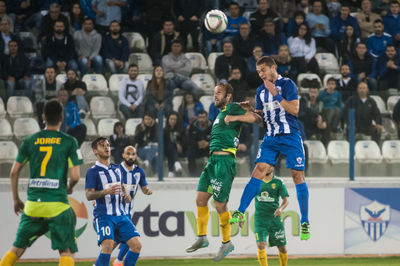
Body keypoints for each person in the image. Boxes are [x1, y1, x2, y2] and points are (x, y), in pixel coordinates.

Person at [228, 56, 310, 241]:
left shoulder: (288, 84)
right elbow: (262, 118)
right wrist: (251, 111)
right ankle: (240, 211)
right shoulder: (260, 91)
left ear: (273, 68)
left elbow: (294, 110)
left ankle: (304, 221)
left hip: (290, 136)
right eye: (258, 72)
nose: (261, 74)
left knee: (298, 176)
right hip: (271, 137)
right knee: (258, 170)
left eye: (263, 70)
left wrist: (276, 94)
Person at [0, 99, 82, 266]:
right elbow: (75, 177)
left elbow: (14, 172)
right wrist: (69, 188)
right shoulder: (69, 142)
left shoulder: (30, 141)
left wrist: (16, 199)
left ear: (43, 117)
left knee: (17, 249)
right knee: (66, 251)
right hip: (57, 206)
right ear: (61, 117)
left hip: (32, 206)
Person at [185, 83, 261, 261]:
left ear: (228, 96)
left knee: (219, 205)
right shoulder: (221, 112)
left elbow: (256, 119)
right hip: (212, 161)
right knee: (200, 199)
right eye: (214, 93)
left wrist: (235, 117)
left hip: (224, 162)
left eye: (219, 93)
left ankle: (227, 243)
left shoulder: (233, 108)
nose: (215, 96)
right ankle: (202, 237)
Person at [85, 137, 141, 266]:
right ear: (95, 151)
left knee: (136, 245)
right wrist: (106, 192)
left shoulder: (117, 169)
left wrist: (126, 196)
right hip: (104, 216)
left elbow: (121, 188)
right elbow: (88, 195)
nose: (106, 147)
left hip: (121, 215)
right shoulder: (93, 172)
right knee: (108, 246)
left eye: (108, 145)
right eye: (102, 145)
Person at [113, 145, 152, 266]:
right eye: (128, 154)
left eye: (133, 154)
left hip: (127, 212)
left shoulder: (139, 171)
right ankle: (117, 261)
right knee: (113, 242)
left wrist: (147, 191)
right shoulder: (116, 169)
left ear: (136, 156)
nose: (130, 156)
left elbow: (144, 187)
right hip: (114, 212)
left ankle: (118, 261)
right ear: (123, 155)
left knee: (128, 239)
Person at [253, 170, 289, 266]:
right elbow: (246, 198)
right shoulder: (256, 181)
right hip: (260, 219)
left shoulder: (278, 182)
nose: (266, 168)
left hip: (275, 219)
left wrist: (280, 209)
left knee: (282, 247)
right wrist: (241, 214)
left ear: (273, 167)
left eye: (269, 165)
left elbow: (286, 200)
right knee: (260, 245)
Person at [187, 110, 212, 177]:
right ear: (197, 118)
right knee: (190, 151)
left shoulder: (213, 126)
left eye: (203, 117)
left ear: (207, 117)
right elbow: (189, 140)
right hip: (197, 149)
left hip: (208, 148)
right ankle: (192, 174)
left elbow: (217, 139)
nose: (202, 119)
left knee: (216, 151)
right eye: (200, 117)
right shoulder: (193, 127)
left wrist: (208, 143)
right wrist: (197, 144)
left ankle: (213, 174)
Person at [318, 78, 342, 143]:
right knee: (333, 110)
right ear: (326, 85)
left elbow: (339, 105)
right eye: (329, 84)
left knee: (337, 110)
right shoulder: (322, 94)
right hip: (324, 111)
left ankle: (329, 131)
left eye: (333, 84)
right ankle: (332, 131)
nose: (331, 86)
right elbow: (319, 104)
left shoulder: (337, 94)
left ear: (335, 86)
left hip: (334, 113)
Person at [164, 112, 184, 177]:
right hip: (167, 150)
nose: (173, 121)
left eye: (175, 119)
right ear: (168, 120)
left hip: (179, 151)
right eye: (171, 119)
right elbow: (163, 144)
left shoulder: (181, 130)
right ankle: (176, 163)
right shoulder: (164, 130)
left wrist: (180, 145)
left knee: (172, 148)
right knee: (171, 145)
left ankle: (170, 172)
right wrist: (176, 144)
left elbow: (185, 141)